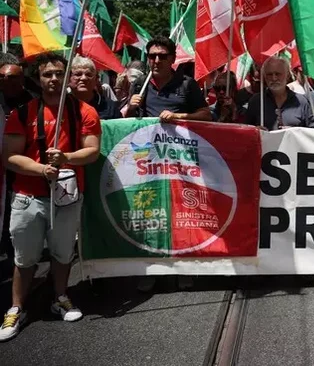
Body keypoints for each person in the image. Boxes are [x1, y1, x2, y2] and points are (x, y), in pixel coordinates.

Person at [0, 53, 101, 342]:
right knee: (25, 258)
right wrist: (42, 169)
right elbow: (10, 157)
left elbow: (91, 150)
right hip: (28, 198)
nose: (54, 79)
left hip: (67, 198)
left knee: (62, 252)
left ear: (67, 76)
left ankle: (60, 296)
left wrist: (66, 157)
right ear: (38, 78)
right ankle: (16, 307)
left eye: (59, 73)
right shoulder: (22, 113)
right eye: (47, 74)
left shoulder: (85, 112)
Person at [125, 37, 211, 122]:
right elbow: (128, 120)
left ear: (173, 59)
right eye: (152, 56)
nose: (157, 61)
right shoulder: (140, 83)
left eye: (162, 56)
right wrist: (131, 108)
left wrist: (176, 116)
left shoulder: (187, 84)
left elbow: (206, 115)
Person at [244, 56, 314, 131]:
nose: (274, 78)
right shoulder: (256, 101)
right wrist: (256, 130)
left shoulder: (301, 102)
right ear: (265, 76)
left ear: (287, 75)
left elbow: (312, 133)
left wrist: (294, 132)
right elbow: (247, 131)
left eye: (278, 74)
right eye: (269, 74)